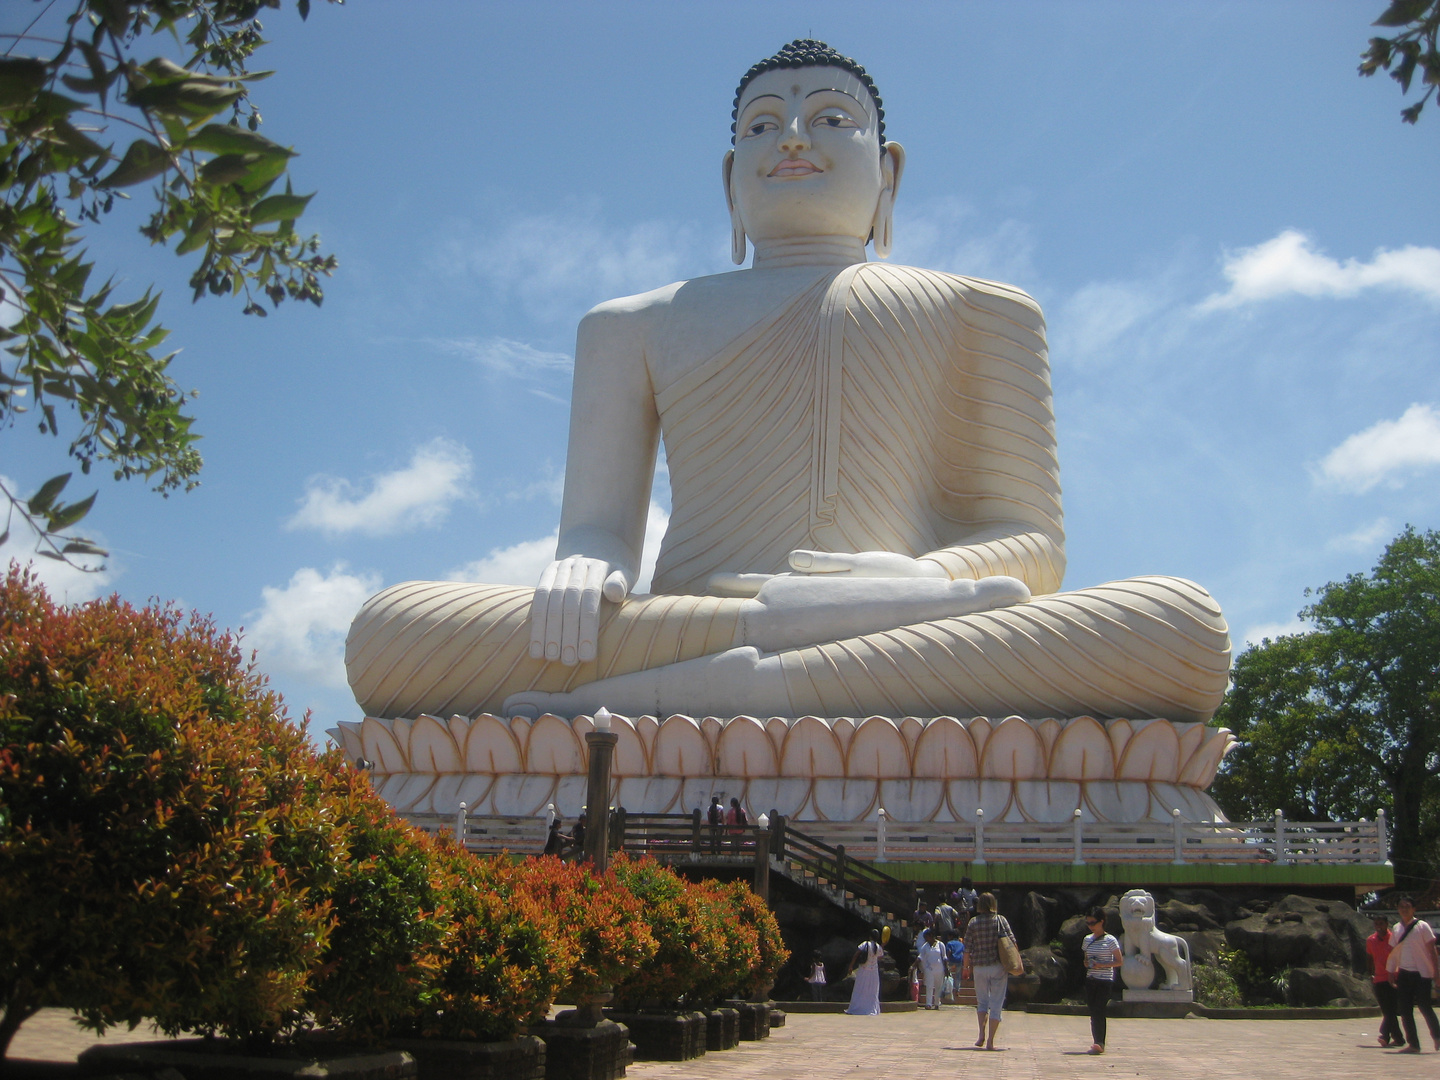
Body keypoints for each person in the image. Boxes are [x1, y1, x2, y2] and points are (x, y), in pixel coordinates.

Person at [345, 40, 1231, 730]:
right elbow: (597, 530)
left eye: (832, 119)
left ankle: (657, 706)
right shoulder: (631, 324)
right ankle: (744, 666)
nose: (794, 138)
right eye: (763, 126)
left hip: (915, 613)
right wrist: (587, 561)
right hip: (712, 620)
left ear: (889, 171)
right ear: (730, 178)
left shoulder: (980, 309)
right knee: (391, 635)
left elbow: (1030, 545)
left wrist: (914, 586)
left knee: (1178, 630)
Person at [962, 892, 1018, 1050]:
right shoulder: (1001, 920)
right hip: (998, 966)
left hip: (979, 967)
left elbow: (967, 948)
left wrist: (966, 968)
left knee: (982, 1002)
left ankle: (981, 1034)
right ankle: (991, 1041)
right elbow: (1012, 942)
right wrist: (1016, 962)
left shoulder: (973, 922)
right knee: (996, 1004)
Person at [1388, 895, 1440, 1053]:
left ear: (1414, 909)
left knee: (1425, 1007)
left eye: (1407, 906)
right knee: (1404, 1009)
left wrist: (1437, 974)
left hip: (1422, 973)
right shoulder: (1396, 928)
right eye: (1401, 907)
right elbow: (1394, 953)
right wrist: (1390, 972)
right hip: (1404, 972)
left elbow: (1433, 951)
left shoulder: (1422, 926)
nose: (1404, 909)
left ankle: (1437, 1037)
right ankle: (1413, 1044)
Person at [1081, 907, 1122, 1055]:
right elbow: (1086, 958)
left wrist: (1103, 965)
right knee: (1093, 1011)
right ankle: (1096, 1041)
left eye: (1093, 923)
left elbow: (1119, 961)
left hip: (1105, 979)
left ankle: (1100, 1042)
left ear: (1101, 922)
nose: (1091, 926)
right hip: (1091, 978)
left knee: (1100, 1009)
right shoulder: (1087, 940)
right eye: (1088, 923)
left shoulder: (1110, 940)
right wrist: (1087, 963)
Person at [1367, 913, 1401, 1047]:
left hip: (1393, 978)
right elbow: (1369, 958)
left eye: (1381, 924)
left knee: (1390, 1009)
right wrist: (1371, 974)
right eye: (1376, 924)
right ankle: (1398, 1038)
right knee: (1387, 1010)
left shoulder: (1393, 938)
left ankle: (1384, 1035)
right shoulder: (1371, 940)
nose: (1379, 927)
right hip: (1379, 978)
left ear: (1387, 924)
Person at [846, 929, 884, 1016]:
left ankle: (858, 1007)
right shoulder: (878, 947)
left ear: (870, 936)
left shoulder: (865, 944)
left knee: (860, 988)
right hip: (873, 971)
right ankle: (871, 1008)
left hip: (864, 969)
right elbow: (881, 956)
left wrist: (851, 965)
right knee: (872, 990)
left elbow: (856, 954)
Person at [913, 928, 948, 1010]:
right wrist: (914, 965)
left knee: (938, 987)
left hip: (939, 969)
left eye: (927, 937)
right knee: (929, 986)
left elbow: (944, 957)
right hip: (929, 969)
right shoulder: (925, 946)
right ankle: (928, 1003)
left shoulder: (940, 945)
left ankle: (936, 1003)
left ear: (931, 936)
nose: (926, 939)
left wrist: (946, 968)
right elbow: (920, 957)